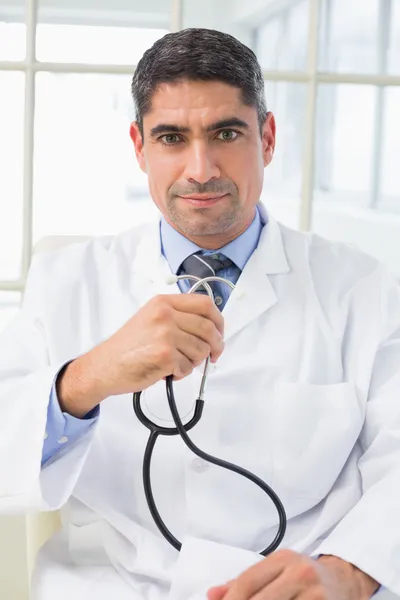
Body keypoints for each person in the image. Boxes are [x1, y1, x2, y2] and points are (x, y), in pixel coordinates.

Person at [0, 27, 399, 600]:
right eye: (171, 137)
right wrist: (87, 378)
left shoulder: (362, 287)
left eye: (226, 133)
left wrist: (352, 570)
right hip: (109, 586)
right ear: (139, 147)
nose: (200, 168)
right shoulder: (67, 281)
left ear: (267, 137)